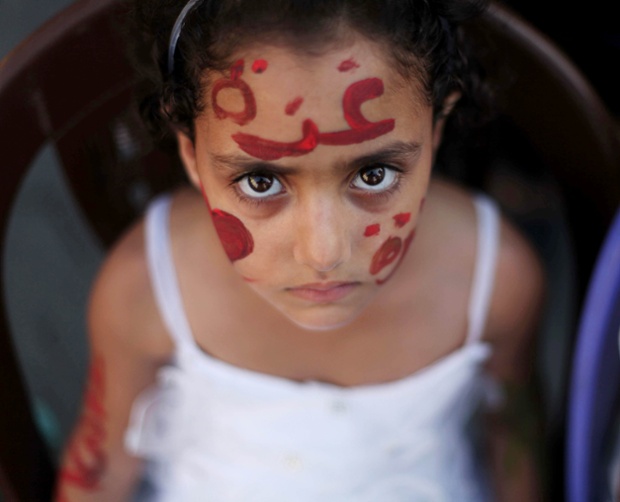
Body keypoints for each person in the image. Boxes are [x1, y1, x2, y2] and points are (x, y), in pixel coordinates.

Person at [54, 0, 546, 500]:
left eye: (373, 174)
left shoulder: (495, 279)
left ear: (437, 127)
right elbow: (100, 472)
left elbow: (512, 443)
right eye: (261, 180)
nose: (323, 252)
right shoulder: (147, 287)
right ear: (191, 153)